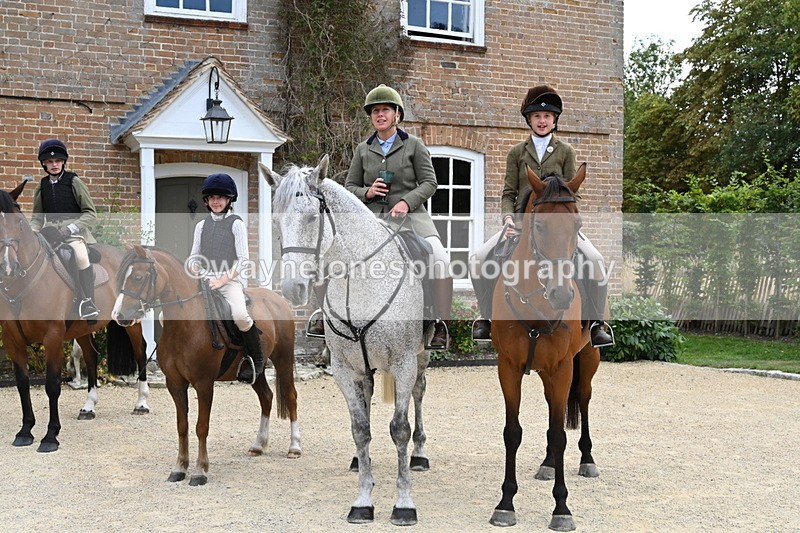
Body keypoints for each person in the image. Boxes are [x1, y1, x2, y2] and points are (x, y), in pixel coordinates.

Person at [309, 84, 453, 349]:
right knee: (328, 258)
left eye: (385, 109)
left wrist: (406, 202)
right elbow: (348, 188)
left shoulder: (414, 146)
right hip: (371, 221)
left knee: (440, 259)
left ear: (397, 114)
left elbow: (430, 183)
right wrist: (368, 191)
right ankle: (324, 315)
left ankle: (440, 323)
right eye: (375, 111)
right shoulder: (363, 150)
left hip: (412, 219)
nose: (380, 115)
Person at [469, 85, 614, 347]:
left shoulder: (565, 151)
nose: (542, 121)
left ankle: (595, 324)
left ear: (555, 120)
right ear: (529, 120)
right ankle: (487, 319)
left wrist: (569, 221)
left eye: (547, 117)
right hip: (521, 226)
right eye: (537, 116)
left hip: (559, 226)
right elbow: (508, 193)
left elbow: (573, 191)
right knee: (479, 259)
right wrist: (507, 218)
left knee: (595, 260)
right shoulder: (516, 152)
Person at [188, 173, 264, 384]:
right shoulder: (201, 226)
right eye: (212, 197)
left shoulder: (236, 224)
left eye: (221, 197)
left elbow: (243, 260)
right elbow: (194, 256)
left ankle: (255, 360)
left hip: (229, 281)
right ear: (206, 200)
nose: (216, 201)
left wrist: (221, 280)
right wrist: (197, 269)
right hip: (204, 280)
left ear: (229, 199)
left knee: (240, 315)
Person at [31, 138, 100, 323]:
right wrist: (33, 231)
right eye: (50, 162)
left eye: (58, 161)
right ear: (44, 164)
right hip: (50, 233)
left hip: (74, 233)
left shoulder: (74, 181)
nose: (54, 165)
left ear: (63, 162)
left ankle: (88, 302)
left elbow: (90, 213)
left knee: (80, 256)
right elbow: (37, 217)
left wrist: (70, 228)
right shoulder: (41, 186)